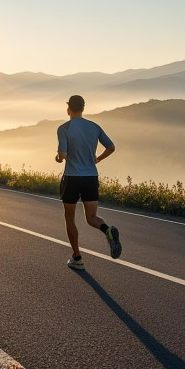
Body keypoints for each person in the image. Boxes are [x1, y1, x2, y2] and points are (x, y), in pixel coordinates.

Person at [56, 95, 121, 270]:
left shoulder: (64, 128)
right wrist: (97, 159)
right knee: (91, 217)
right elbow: (111, 147)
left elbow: (62, 156)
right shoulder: (94, 127)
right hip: (91, 177)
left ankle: (77, 258)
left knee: (70, 218)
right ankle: (107, 230)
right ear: (83, 109)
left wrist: (58, 157)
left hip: (72, 178)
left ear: (68, 109)